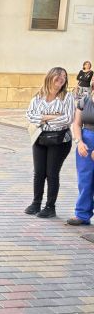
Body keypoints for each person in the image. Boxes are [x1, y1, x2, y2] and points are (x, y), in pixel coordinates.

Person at [25, 67, 74, 218]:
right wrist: (51, 117)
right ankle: (36, 203)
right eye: (58, 77)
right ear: (50, 77)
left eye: (64, 77)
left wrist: (42, 118)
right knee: (39, 173)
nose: (61, 80)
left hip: (60, 140)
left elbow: (67, 119)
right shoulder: (38, 96)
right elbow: (29, 115)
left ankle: (50, 207)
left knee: (52, 173)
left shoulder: (67, 97)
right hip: (39, 137)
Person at [68, 91, 94, 225]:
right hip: (86, 141)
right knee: (84, 179)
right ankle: (82, 215)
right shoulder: (84, 101)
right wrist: (79, 142)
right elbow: (77, 124)